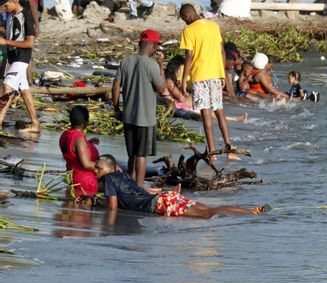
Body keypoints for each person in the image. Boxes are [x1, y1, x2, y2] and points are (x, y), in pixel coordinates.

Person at [94, 154, 268, 218]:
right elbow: (138, 192)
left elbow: (113, 209)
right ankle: (249, 210)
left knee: (207, 213)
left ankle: (251, 213)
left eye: (98, 168)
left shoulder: (109, 179)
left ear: (109, 168)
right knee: (210, 209)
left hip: (160, 204)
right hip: (164, 199)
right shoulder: (122, 175)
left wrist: (97, 203)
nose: (95, 170)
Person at [179, 3, 236, 162]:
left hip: (200, 77)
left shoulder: (189, 31)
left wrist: (184, 79)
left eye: (184, 19)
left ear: (188, 15)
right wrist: (223, 74)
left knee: (206, 115)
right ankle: (229, 149)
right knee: (219, 112)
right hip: (216, 76)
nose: (185, 22)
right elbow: (222, 51)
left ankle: (212, 153)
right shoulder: (213, 26)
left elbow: (189, 56)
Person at [112, 29, 166, 186]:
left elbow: (116, 87)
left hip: (128, 116)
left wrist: (116, 109)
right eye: (156, 46)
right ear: (152, 46)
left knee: (132, 155)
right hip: (145, 119)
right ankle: (139, 187)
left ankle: (130, 183)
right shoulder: (152, 65)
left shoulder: (126, 61)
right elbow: (162, 89)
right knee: (142, 155)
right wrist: (161, 65)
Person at [0, 0, 39, 134]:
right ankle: (35, 124)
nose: (4, 8)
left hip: (22, 58)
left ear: (14, 1)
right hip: (12, 58)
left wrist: (6, 41)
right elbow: (8, 32)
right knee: (25, 91)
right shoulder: (10, 16)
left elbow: (29, 43)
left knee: (7, 85)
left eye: (6, 6)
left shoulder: (26, 15)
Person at [58, 105, 100, 199]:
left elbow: (72, 151)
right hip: (86, 182)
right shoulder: (79, 140)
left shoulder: (65, 135)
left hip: (73, 179)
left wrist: (88, 143)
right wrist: (108, 168)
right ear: (85, 123)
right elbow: (86, 164)